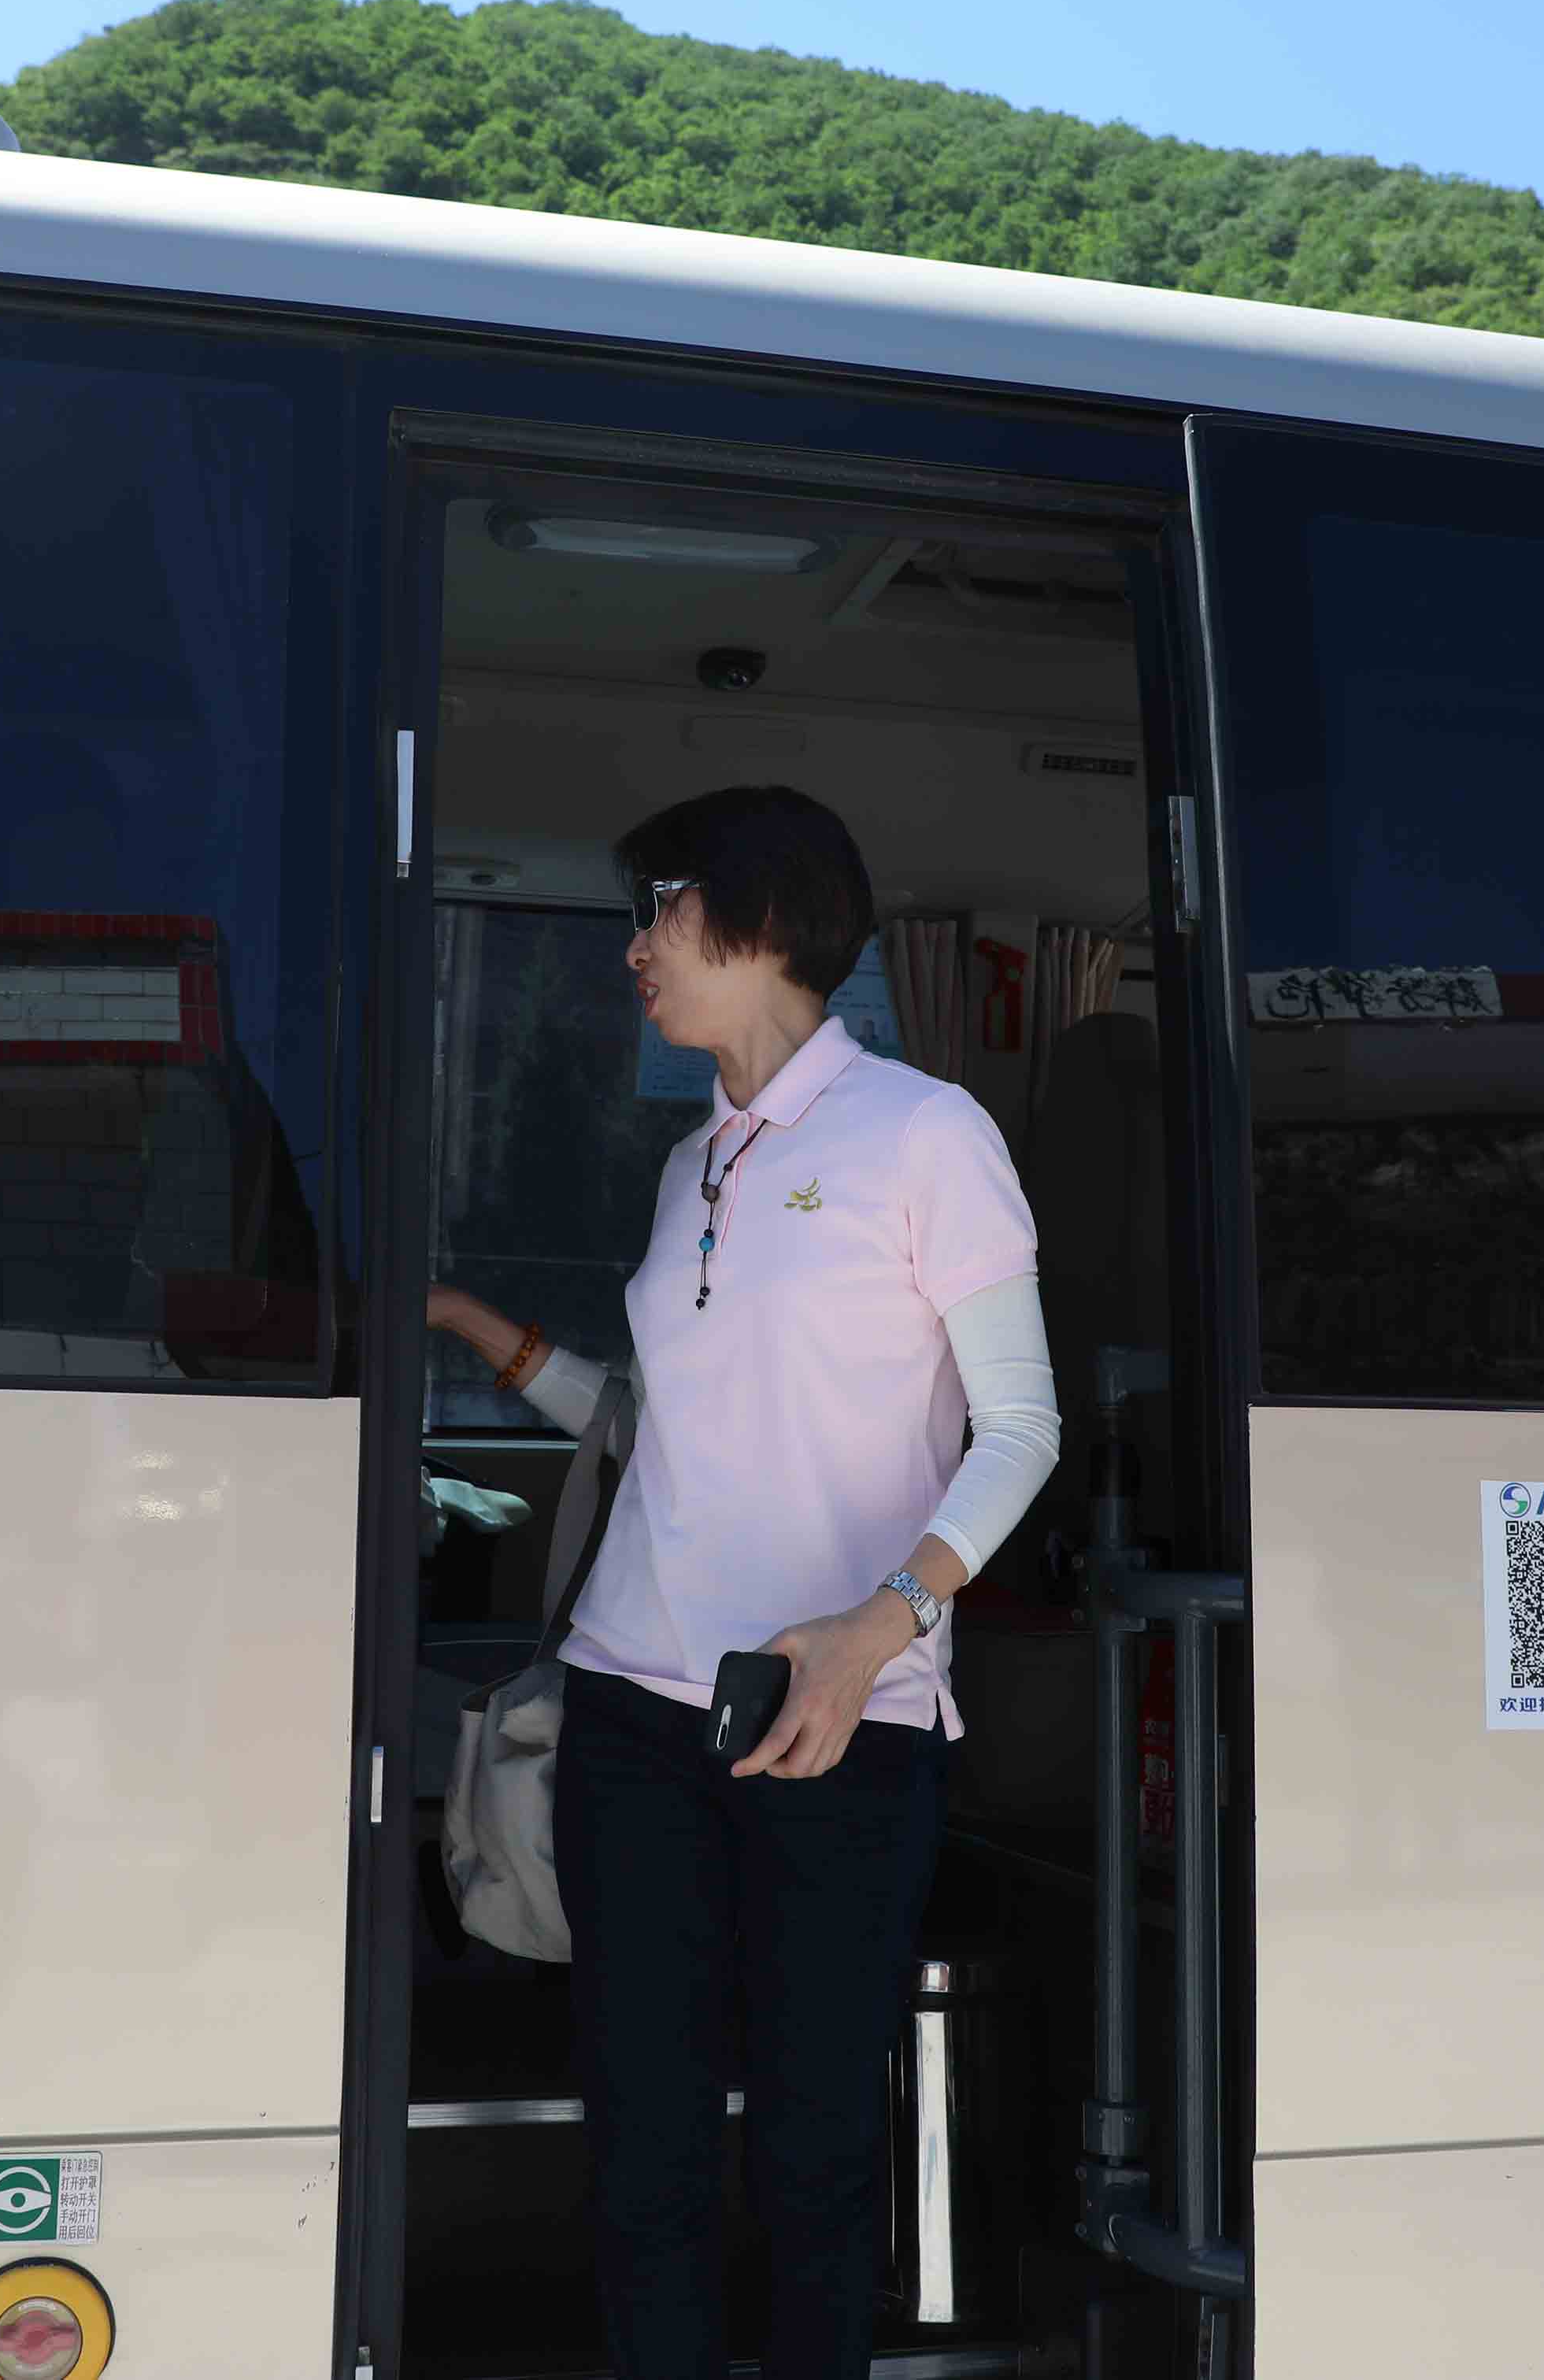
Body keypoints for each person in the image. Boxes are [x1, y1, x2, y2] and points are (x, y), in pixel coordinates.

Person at [425, 784, 1060, 2380]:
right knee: (641, 2153)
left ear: (765, 921)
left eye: (660, 910)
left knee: (814, 2152)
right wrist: (468, 1322)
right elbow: (655, 1431)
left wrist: (876, 1626)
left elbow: (1023, 1428)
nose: (634, 948)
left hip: (834, 1716)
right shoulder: (685, 1164)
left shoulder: (924, 1133)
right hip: (629, 1716)